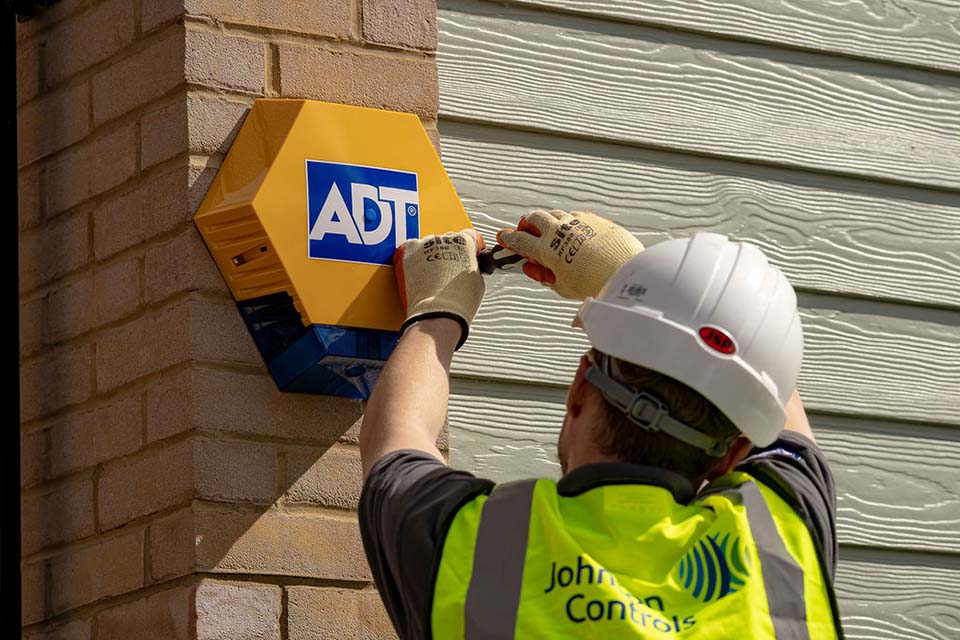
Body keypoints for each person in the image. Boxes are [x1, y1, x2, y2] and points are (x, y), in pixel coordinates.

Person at [358, 210, 844, 639]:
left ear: (578, 390)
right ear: (735, 454)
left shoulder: (477, 545)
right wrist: (632, 274)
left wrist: (437, 308)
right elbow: (769, 395)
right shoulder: (779, 542)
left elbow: (396, 440)